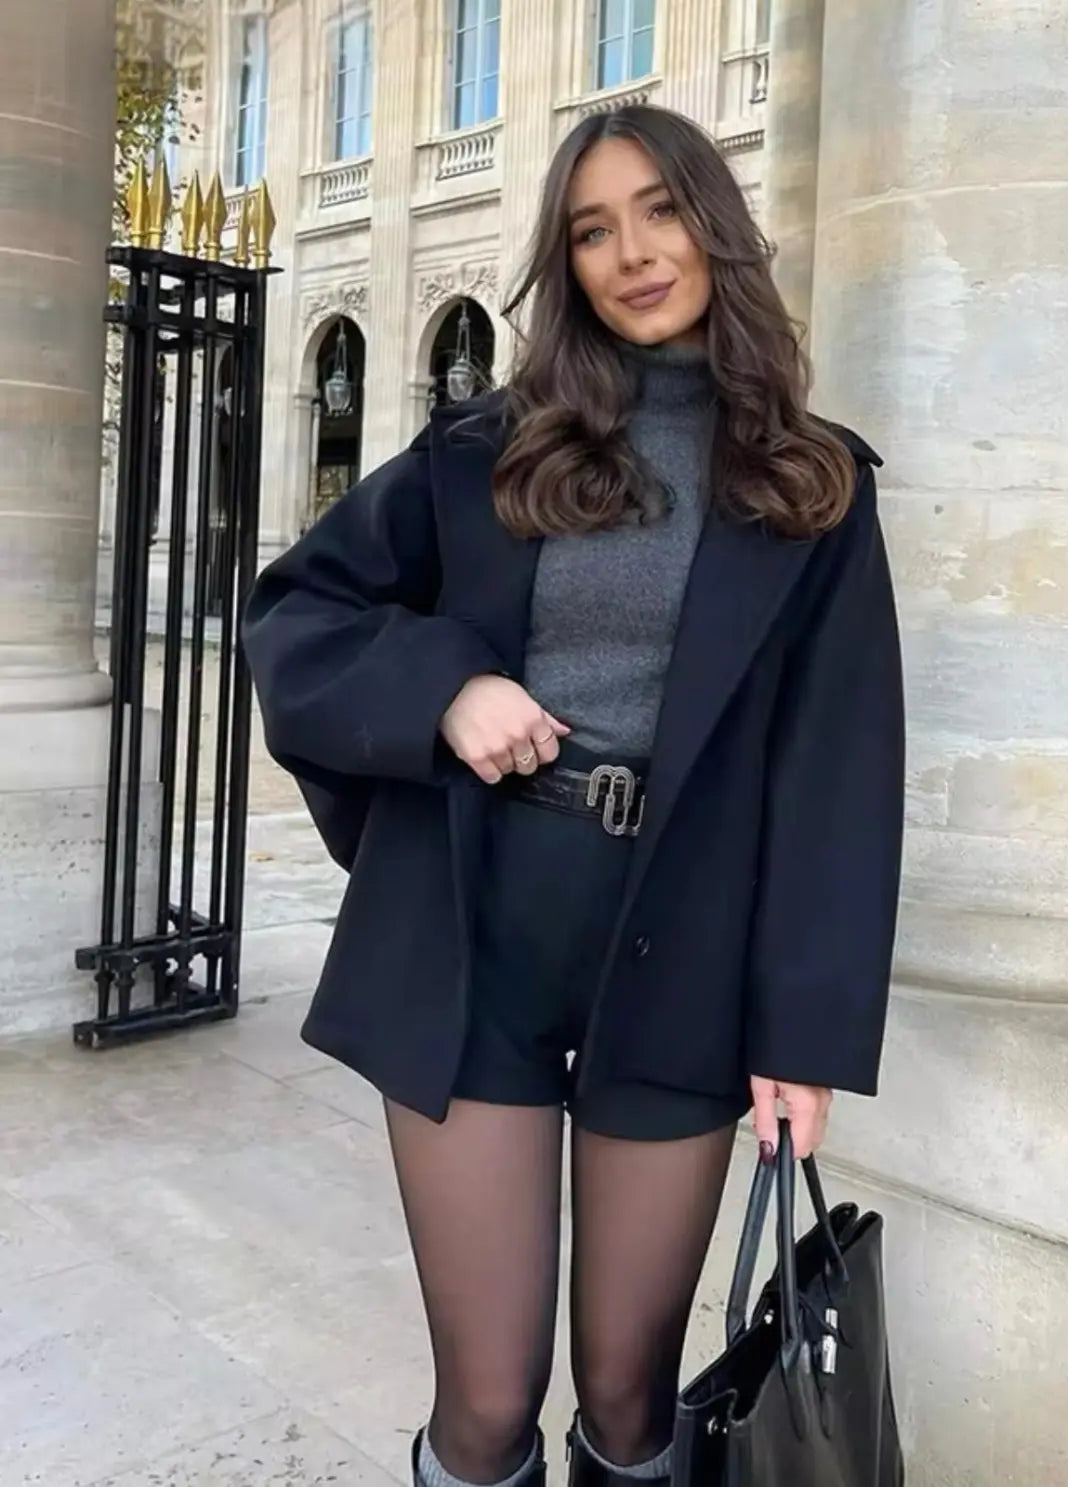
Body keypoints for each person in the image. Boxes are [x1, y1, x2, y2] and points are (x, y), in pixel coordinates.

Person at [243, 103, 904, 1487]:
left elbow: (837, 770)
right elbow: (297, 615)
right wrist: (445, 687)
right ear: (568, 261)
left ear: (715, 229)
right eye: (594, 231)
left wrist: (802, 1032)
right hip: (478, 931)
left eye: (661, 212)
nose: (634, 254)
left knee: (627, 1399)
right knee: (487, 1405)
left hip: (682, 947)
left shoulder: (815, 486)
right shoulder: (484, 449)